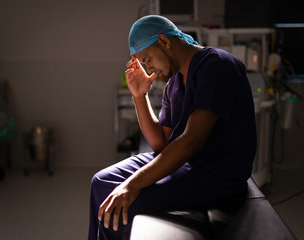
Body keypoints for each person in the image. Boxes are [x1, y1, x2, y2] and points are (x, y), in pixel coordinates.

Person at [88, 15, 257, 240]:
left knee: (122, 207)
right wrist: (140, 96)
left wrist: (132, 185)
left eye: (147, 59)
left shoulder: (217, 65)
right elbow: (160, 143)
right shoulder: (175, 82)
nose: (148, 68)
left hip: (215, 173)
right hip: (183, 164)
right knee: (101, 182)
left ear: (164, 42)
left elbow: (191, 141)